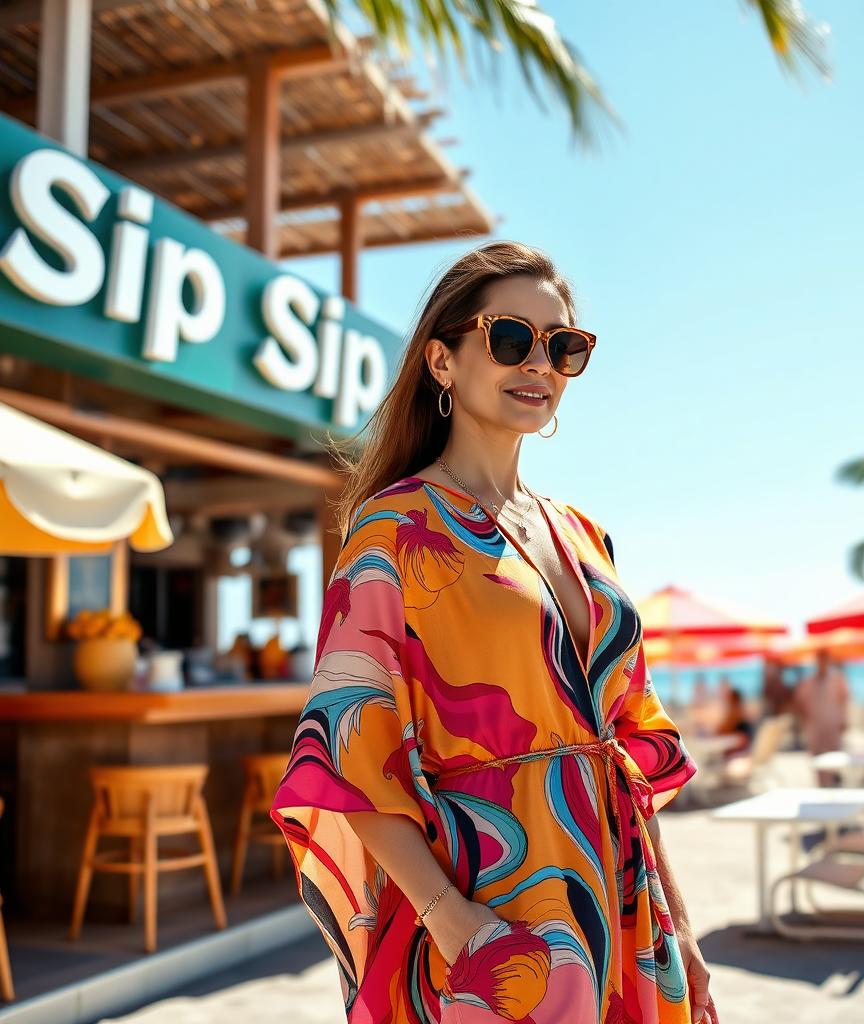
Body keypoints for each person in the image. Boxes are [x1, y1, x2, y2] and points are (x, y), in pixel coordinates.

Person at [270, 242, 715, 1024]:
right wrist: (455, 921)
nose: (538, 362)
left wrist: (681, 928)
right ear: (442, 361)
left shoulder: (584, 535)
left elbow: (625, 753)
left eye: (563, 346)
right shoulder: (392, 532)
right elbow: (346, 749)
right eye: (511, 337)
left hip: (622, 904)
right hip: (491, 907)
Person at [793, 649, 849, 786]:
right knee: (817, 759)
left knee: (834, 757)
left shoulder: (837, 679)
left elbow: (844, 700)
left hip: (832, 724)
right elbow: (799, 702)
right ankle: (823, 787)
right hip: (815, 726)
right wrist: (806, 718)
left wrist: (844, 719)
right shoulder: (809, 681)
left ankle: (834, 785)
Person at [716, 686, 753, 756]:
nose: (728, 704)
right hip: (734, 753)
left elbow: (743, 741)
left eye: (729, 701)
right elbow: (719, 731)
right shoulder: (734, 717)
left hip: (738, 756)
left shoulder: (742, 720)